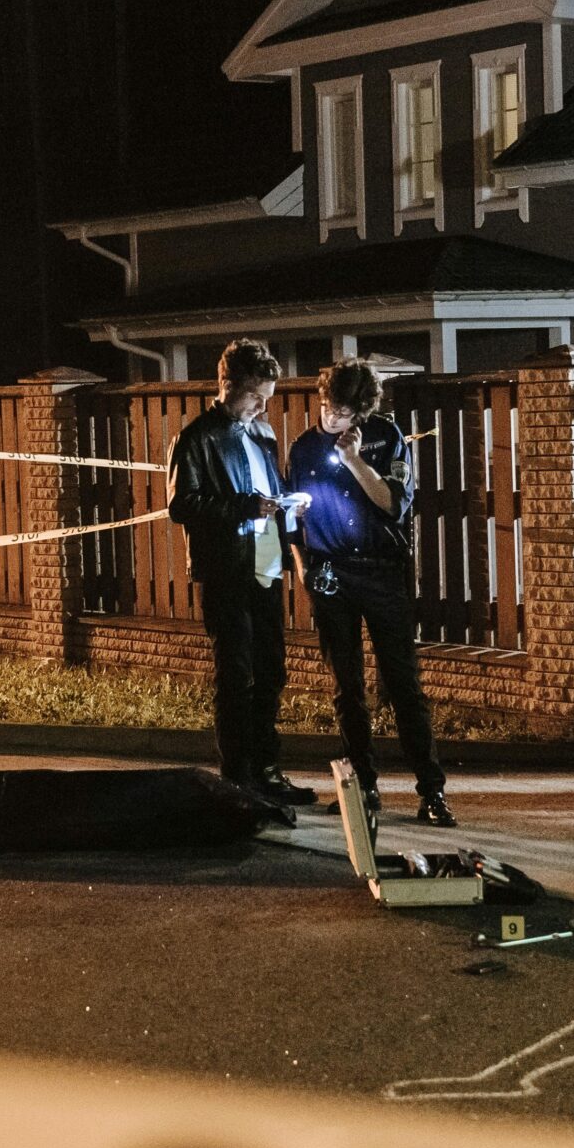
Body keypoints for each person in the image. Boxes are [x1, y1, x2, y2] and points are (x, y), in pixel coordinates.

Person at [285, 359, 452, 826]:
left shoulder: (385, 436)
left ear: (363, 412)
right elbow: (291, 520)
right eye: (330, 408)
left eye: (347, 414)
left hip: (381, 572)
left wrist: (355, 460)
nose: (335, 419)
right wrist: (303, 569)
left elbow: (393, 504)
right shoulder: (302, 448)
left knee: (403, 685)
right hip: (330, 574)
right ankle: (362, 787)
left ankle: (432, 791)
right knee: (347, 687)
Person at [166, 339, 314, 808]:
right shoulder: (197, 438)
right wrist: (244, 506)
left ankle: (267, 771)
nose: (262, 407)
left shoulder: (262, 433)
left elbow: (270, 489)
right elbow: (182, 505)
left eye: (267, 398)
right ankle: (237, 780)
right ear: (227, 385)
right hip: (227, 570)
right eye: (255, 396)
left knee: (271, 671)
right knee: (236, 676)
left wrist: (288, 505)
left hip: (266, 564)